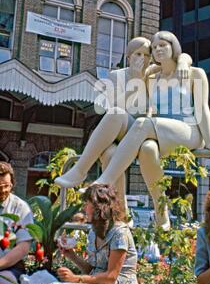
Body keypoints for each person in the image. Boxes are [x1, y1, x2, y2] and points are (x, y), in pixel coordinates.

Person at [93, 31, 210, 229]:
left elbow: (202, 108)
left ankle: (105, 181)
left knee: (143, 123)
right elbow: (129, 90)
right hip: (160, 131)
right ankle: (161, 212)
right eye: (154, 48)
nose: (158, 49)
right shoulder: (152, 76)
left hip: (189, 130)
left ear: (174, 46)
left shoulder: (194, 73)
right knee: (147, 149)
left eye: (163, 45)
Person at [55, 36, 192, 225]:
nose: (142, 59)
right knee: (113, 133)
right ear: (128, 57)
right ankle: (112, 203)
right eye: (138, 54)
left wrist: (184, 60)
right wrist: (134, 82)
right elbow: (111, 109)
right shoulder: (117, 76)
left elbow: (176, 58)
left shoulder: (153, 73)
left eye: (146, 55)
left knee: (128, 147)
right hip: (122, 129)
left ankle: (157, 211)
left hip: (146, 132)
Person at [26, 183, 138, 284]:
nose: (84, 208)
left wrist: (75, 278)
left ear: (99, 207)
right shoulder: (93, 232)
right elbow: (91, 270)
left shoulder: (120, 233)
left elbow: (111, 277)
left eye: (87, 204)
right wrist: (71, 255)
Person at [0, 162, 34, 284]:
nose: (2, 190)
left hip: (10, 268)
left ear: (12, 184)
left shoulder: (21, 208)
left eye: (6, 186)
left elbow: (23, 248)